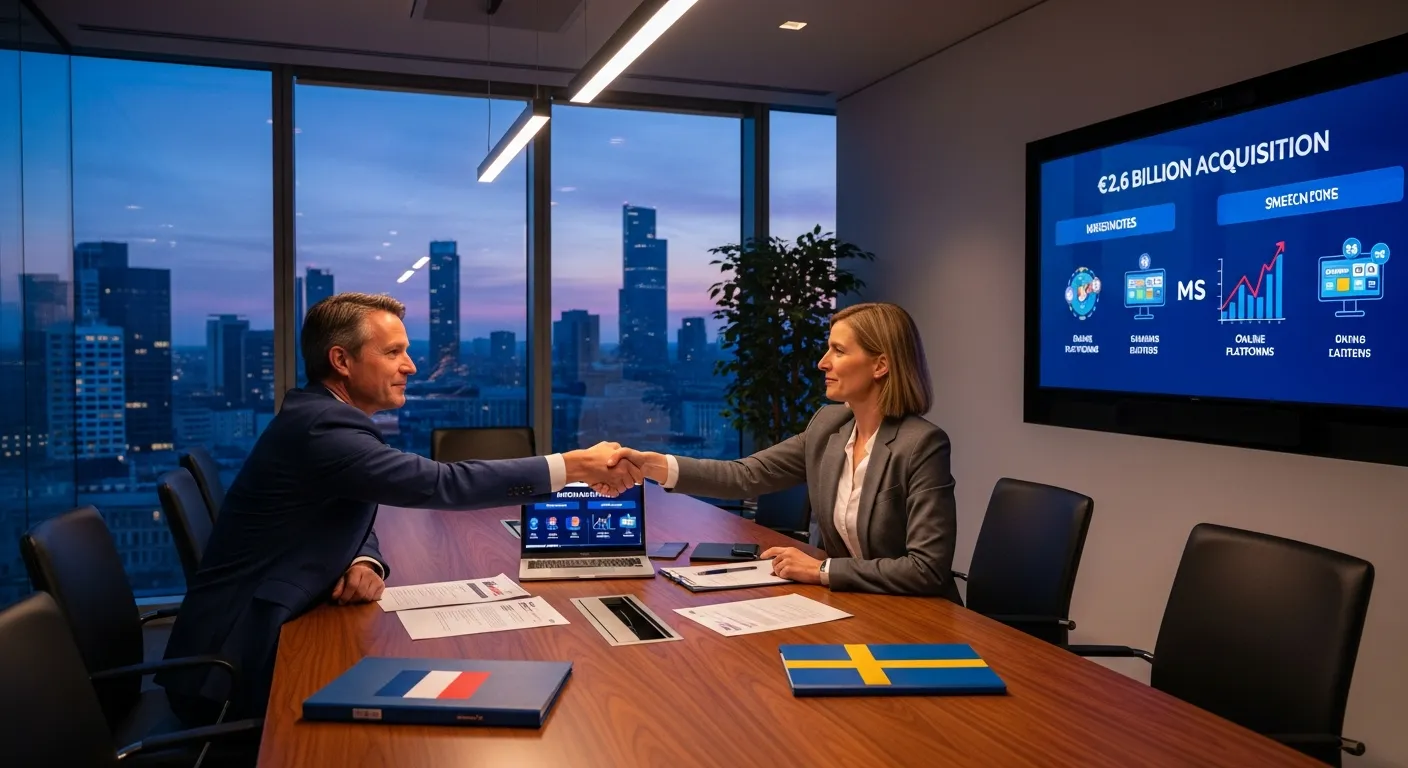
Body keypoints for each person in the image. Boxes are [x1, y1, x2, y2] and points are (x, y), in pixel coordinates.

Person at [158, 292, 641, 726]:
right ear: (341, 360)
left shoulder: (318, 416)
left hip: (260, 630)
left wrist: (362, 557)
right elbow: (439, 483)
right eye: (393, 353)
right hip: (235, 670)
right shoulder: (323, 429)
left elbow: (347, 500)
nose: (410, 366)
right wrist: (573, 465)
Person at [611, 302, 961, 601]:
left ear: (880, 365)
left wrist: (822, 569)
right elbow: (745, 475)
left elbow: (926, 569)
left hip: (919, 615)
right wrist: (650, 465)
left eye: (838, 351)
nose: (823, 362)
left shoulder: (921, 445)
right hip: (858, 602)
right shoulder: (829, 426)